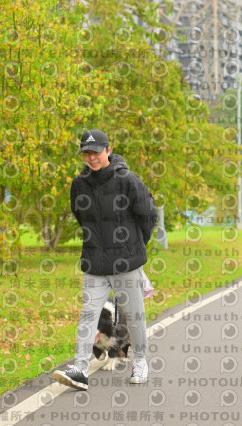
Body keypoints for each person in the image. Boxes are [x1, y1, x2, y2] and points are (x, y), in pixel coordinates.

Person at [53, 129, 157, 390]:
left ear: (108, 150)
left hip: (126, 262)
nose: (91, 157)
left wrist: (135, 246)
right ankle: (80, 368)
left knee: (134, 315)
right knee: (88, 314)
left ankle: (140, 362)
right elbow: (82, 217)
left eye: (96, 152)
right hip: (95, 262)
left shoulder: (128, 180)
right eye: (86, 153)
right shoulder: (79, 184)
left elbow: (148, 214)